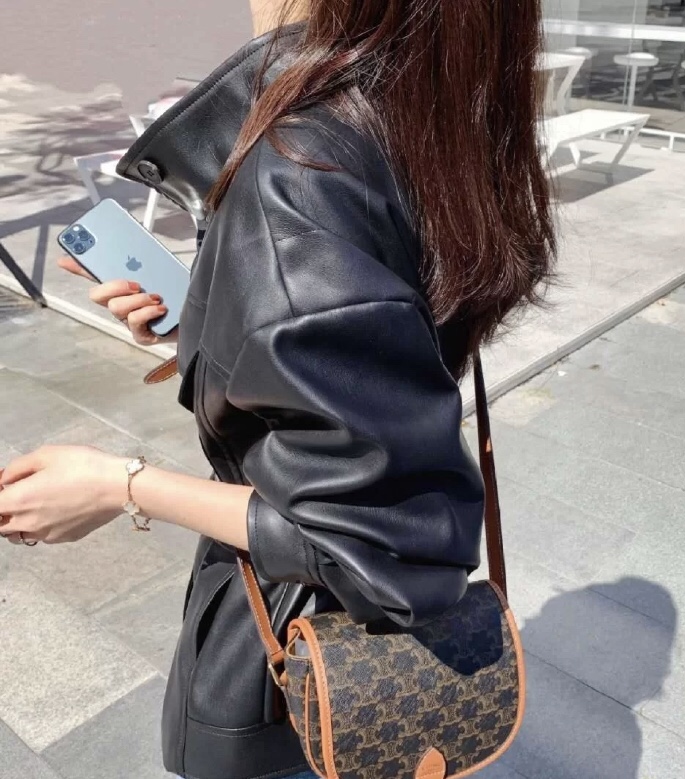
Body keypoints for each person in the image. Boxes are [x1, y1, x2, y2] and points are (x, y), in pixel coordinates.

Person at [0, 0, 555, 777]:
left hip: (296, 671)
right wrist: (214, 312)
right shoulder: (434, 113)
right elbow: (372, 348)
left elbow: (383, 553)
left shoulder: (298, 166)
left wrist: (116, 484)